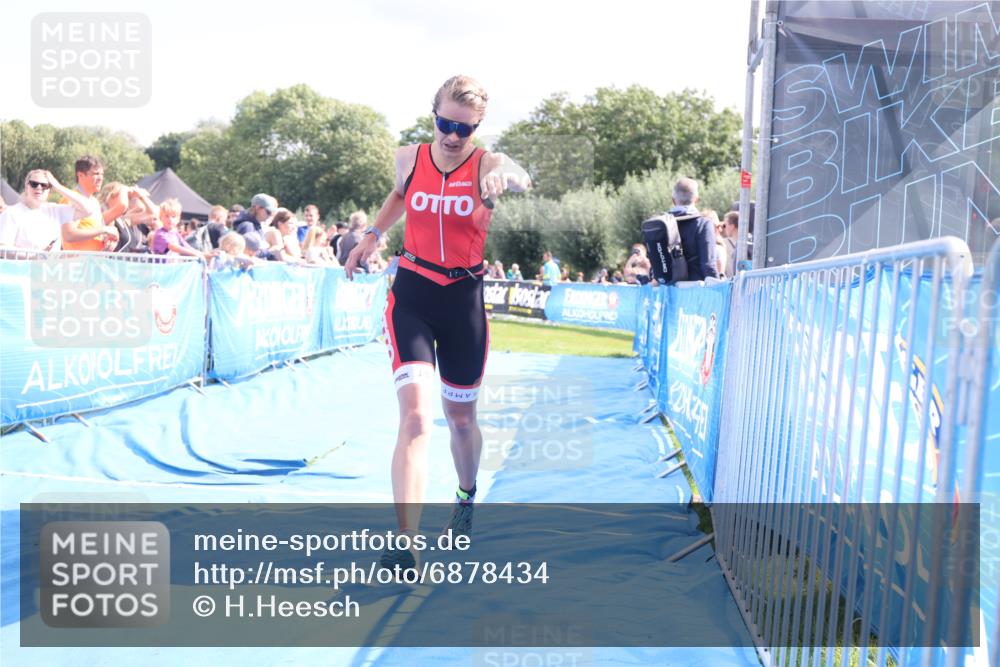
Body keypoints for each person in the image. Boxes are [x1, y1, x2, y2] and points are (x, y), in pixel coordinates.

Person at [344, 75, 529, 571]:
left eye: (464, 129)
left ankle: (466, 497)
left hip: (463, 300)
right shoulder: (409, 157)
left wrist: (504, 171)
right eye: (445, 124)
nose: (452, 136)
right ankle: (405, 541)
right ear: (433, 117)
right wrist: (372, 235)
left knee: (462, 420)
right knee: (417, 418)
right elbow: (401, 195)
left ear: (477, 129)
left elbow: (518, 174)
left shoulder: (485, 163)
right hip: (412, 295)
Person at [0, 170, 99, 251]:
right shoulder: (11, 213)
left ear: (50, 190)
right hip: (21, 272)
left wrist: (58, 187)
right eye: (34, 184)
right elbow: (3, 248)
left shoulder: (55, 210)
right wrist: (37, 256)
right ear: (26, 187)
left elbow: (88, 209)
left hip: (49, 272)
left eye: (44, 185)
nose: (39, 187)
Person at [61, 155, 119, 251]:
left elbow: (93, 232)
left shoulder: (94, 201)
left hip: (92, 262)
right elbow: (68, 235)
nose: (100, 178)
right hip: (76, 263)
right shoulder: (72, 199)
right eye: (96, 173)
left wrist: (106, 238)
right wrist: (103, 229)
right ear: (80, 175)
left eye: (102, 174)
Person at [667, 178, 718, 281]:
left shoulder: (662, 223)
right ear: (697, 199)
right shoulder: (704, 224)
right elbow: (708, 264)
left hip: (665, 289)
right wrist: (718, 289)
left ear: (673, 200)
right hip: (695, 290)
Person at [722, 211, 739, 277]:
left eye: (724, 225)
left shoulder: (724, 244)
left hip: (732, 284)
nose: (723, 228)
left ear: (732, 226)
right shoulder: (752, 241)